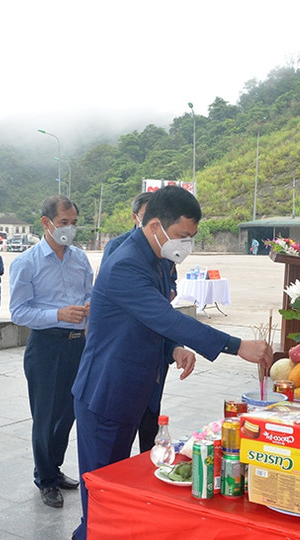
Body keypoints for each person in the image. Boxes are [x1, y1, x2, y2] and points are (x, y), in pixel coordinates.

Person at [70, 185, 274, 540]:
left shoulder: (158, 258)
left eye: (192, 237)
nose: (187, 244)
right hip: (106, 392)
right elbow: (166, 318)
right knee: (102, 488)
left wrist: (172, 349)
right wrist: (236, 345)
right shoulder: (126, 263)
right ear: (154, 227)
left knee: (120, 485)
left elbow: (150, 321)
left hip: (137, 388)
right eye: (182, 236)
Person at [9, 195, 93, 509]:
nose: (69, 229)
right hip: (45, 346)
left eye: (73, 223)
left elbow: (89, 293)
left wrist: (87, 307)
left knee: (69, 412)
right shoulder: (26, 262)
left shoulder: (80, 259)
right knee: (44, 416)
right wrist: (58, 314)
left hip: (77, 344)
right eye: (63, 223)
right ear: (46, 223)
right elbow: (18, 312)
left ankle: (54, 468)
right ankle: (45, 480)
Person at [101, 190, 176, 453]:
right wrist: (234, 345)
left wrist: (173, 346)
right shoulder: (120, 251)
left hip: (154, 348)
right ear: (137, 218)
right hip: (126, 350)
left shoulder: (165, 250)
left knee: (151, 420)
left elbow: (168, 294)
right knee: (116, 440)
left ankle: (147, 470)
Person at [101, 191, 153, 264]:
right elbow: (105, 274)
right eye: (146, 216)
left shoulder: (163, 249)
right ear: (135, 217)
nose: (153, 221)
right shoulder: (116, 245)